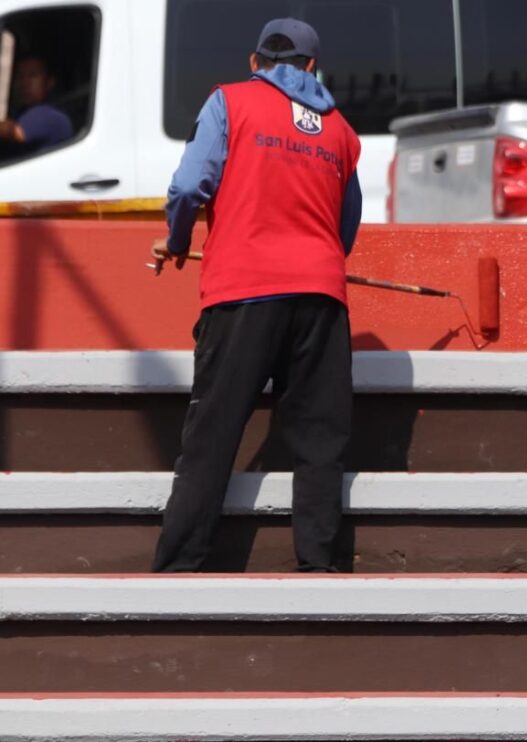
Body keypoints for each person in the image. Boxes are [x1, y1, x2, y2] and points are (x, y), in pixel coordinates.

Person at [150, 18, 362, 573]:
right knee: (320, 443)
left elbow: (189, 186)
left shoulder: (229, 102)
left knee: (213, 434)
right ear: (313, 67)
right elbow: (346, 228)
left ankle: (179, 567)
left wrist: (176, 240)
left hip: (242, 293)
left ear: (255, 62)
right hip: (320, 296)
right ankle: (319, 564)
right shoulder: (341, 130)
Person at [0, 55, 74, 153]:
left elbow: (11, 132)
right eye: (19, 76)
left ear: (49, 82)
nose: (24, 83)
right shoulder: (21, 112)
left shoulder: (49, 114)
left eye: (33, 75)